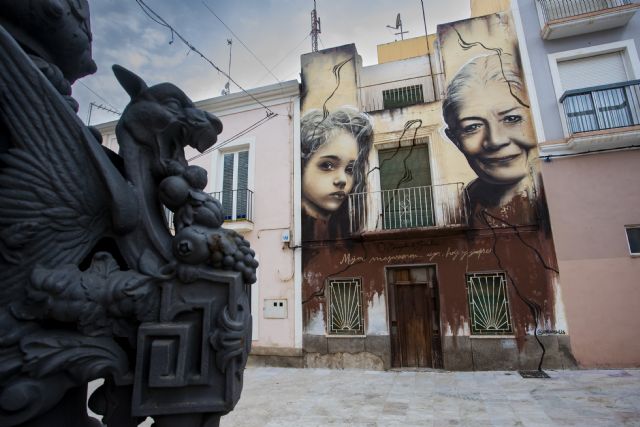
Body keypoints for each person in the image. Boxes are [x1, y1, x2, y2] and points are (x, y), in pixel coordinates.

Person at [442, 54, 539, 225]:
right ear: (455, 140)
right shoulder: (460, 209)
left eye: (512, 119)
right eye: (472, 127)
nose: (495, 140)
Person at [300, 107, 373, 241]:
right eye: (327, 165)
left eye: (350, 169)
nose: (342, 180)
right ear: (302, 165)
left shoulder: (344, 234)